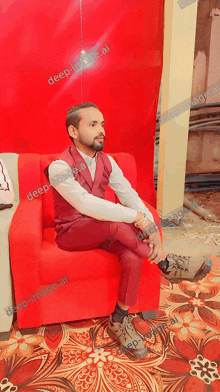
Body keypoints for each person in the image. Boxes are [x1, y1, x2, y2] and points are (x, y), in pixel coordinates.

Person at [47, 102, 212, 361]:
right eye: (92, 124)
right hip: (72, 233)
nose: (101, 130)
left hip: (101, 232)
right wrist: (138, 219)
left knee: (133, 257)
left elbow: (129, 195)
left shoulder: (108, 162)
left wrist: (153, 227)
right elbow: (85, 204)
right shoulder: (59, 167)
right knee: (117, 223)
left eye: (102, 124)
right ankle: (167, 263)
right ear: (73, 131)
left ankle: (119, 319)